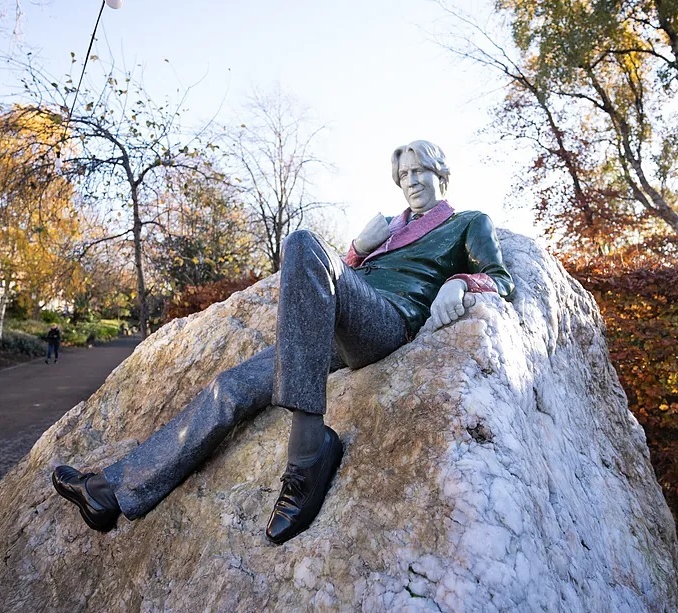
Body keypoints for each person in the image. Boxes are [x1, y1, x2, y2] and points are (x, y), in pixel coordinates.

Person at [51, 140, 514, 544]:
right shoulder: (389, 228)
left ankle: (309, 451)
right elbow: (334, 279)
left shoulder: (469, 222)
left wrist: (459, 283)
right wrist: (357, 246)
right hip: (332, 329)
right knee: (231, 386)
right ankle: (111, 491)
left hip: (389, 323)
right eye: (404, 174)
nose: (411, 181)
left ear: (442, 175)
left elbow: (501, 279)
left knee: (303, 242)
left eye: (420, 171)